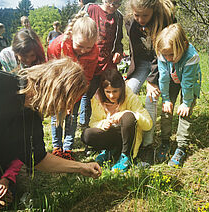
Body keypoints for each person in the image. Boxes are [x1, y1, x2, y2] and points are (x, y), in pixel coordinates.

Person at [0, 57, 102, 199]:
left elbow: (38, 158)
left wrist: (82, 167)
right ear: (56, 90)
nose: (68, 109)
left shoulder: (30, 116)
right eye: (68, 101)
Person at [124, 0, 175, 162]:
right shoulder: (130, 21)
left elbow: (159, 54)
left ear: (153, 10)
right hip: (140, 63)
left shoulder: (164, 20)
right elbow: (133, 49)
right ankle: (126, 139)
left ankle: (147, 143)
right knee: (128, 92)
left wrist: (153, 82)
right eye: (136, 15)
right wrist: (131, 74)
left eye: (145, 15)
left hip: (161, 63)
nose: (140, 19)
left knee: (151, 98)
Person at [47, 12, 99, 159]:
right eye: (80, 46)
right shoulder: (57, 46)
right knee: (57, 116)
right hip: (57, 87)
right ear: (71, 36)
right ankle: (57, 147)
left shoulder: (94, 51)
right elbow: (51, 73)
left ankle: (67, 148)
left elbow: (86, 78)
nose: (84, 51)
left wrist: (73, 99)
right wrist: (62, 97)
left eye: (88, 47)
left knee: (72, 116)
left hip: (77, 89)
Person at [82, 69, 152, 172]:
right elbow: (93, 122)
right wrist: (102, 123)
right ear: (103, 90)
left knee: (128, 116)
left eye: (115, 91)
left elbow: (148, 124)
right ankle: (109, 151)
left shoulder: (129, 96)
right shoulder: (97, 99)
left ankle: (125, 156)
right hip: (111, 135)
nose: (111, 95)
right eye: (108, 92)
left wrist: (127, 113)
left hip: (127, 137)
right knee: (86, 134)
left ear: (121, 88)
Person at [155, 23, 201, 166]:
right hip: (171, 79)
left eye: (172, 54)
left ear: (184, 45)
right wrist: (166, 99)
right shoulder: (163, 54)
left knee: (184, 112)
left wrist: (186, 103)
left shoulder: (191, 56)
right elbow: (163, 77)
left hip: (190, 82)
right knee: (167, 109)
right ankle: (165, 141)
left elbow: (188, 83)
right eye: (165, 55)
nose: (168, 58)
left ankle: (182, 146)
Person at [79, 0, 124, 128]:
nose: (113, 7)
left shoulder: (118, 17)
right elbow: (77, 30)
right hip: (90, 63)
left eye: (117, 4)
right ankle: (84, 125)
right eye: (110, 3)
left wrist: (118, 51)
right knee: (87, 95)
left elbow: (119, 40)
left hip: (107, 64)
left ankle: (108, 124)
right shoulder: (90, 9)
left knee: (107, 94)